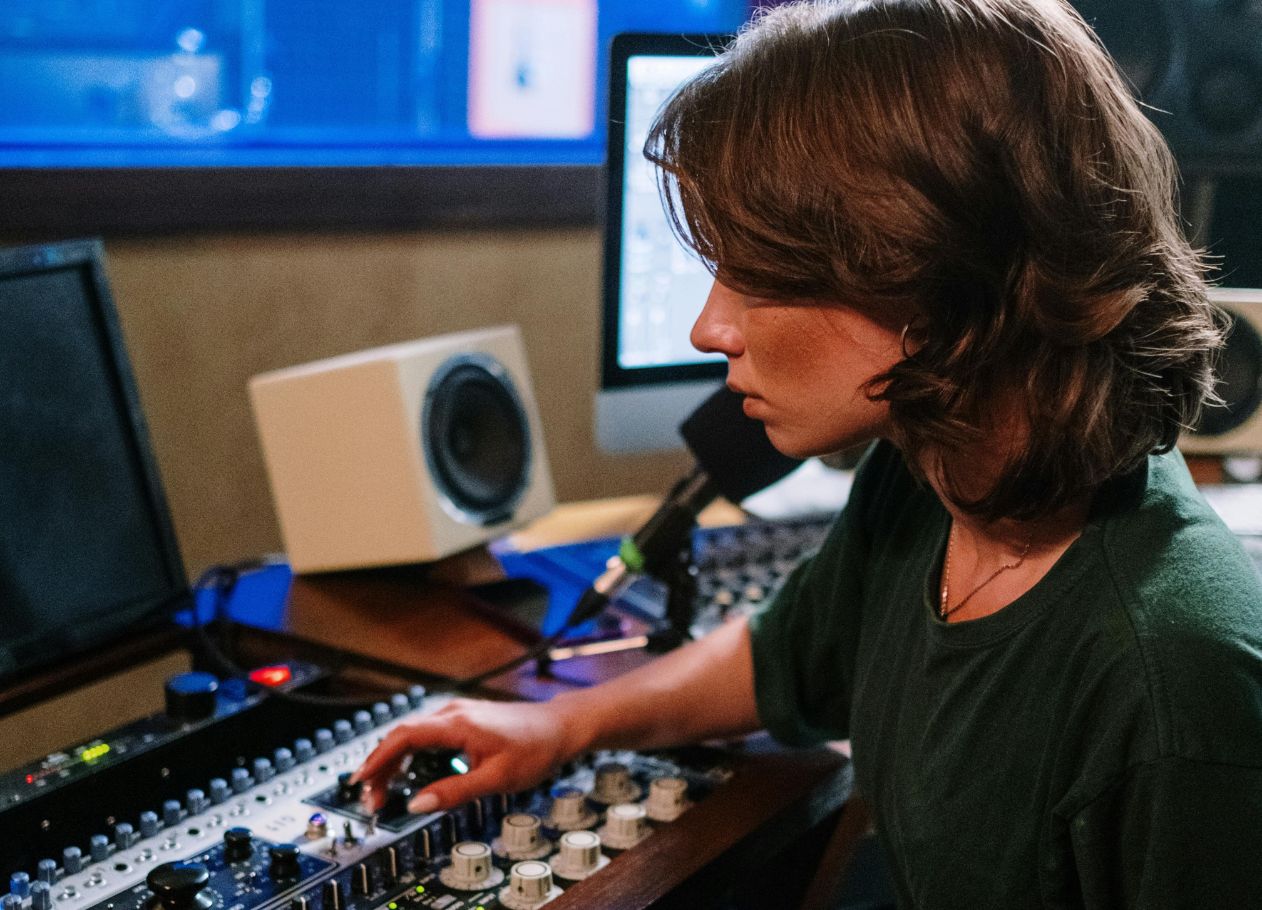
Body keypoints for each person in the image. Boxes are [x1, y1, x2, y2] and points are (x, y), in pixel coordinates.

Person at [354, 0, 1262, 905]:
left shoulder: (1176, 681)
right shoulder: (930, 471)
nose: (709, 328)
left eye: (756, 278)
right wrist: (563, 725)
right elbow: (783, 655)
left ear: (939, 275)